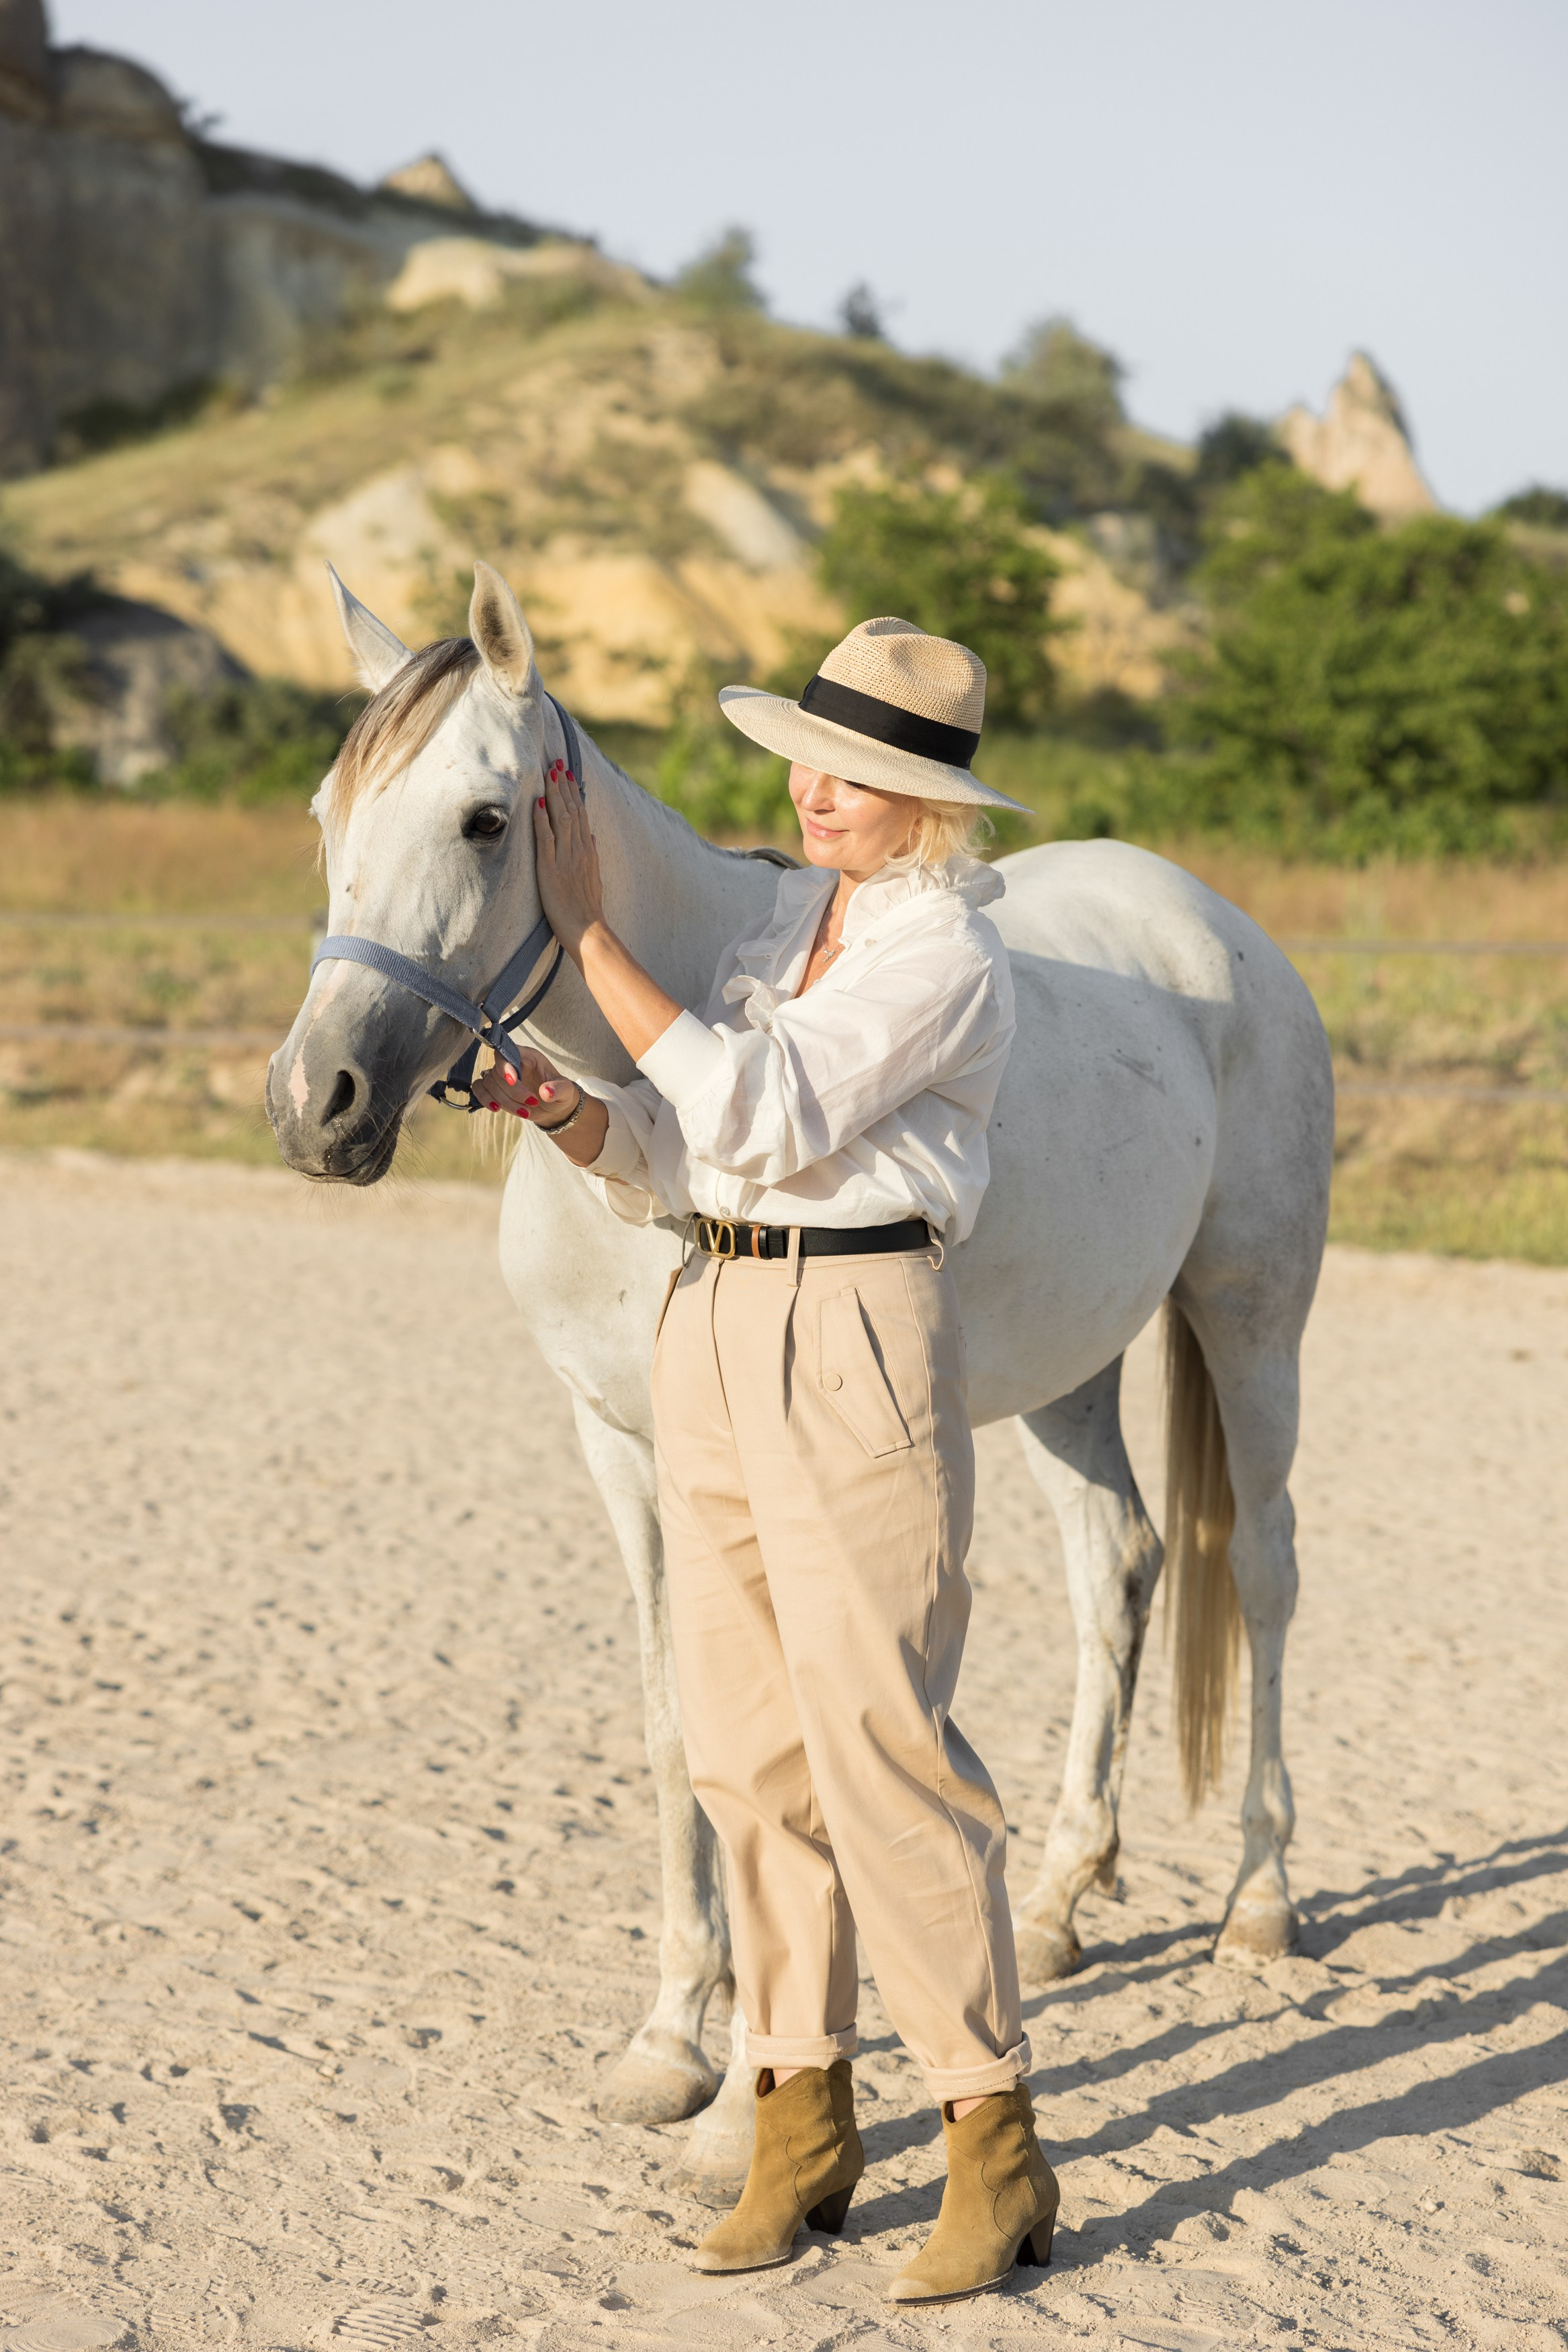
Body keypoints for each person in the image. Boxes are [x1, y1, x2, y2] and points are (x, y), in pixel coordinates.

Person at [474, 618, 1059, 2303]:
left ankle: (992, 2142)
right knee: (742, 1748)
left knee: (884, 1743)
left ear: (928, 808)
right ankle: (803, 2118)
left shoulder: (942, 954)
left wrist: (586, 932)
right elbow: (675, 1151)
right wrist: (563, 1107)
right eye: (812, 755)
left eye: (860, 776)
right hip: (712, 1320)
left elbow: (763, 1113)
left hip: (858, 1335)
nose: (818, 789)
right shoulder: (796, 920)